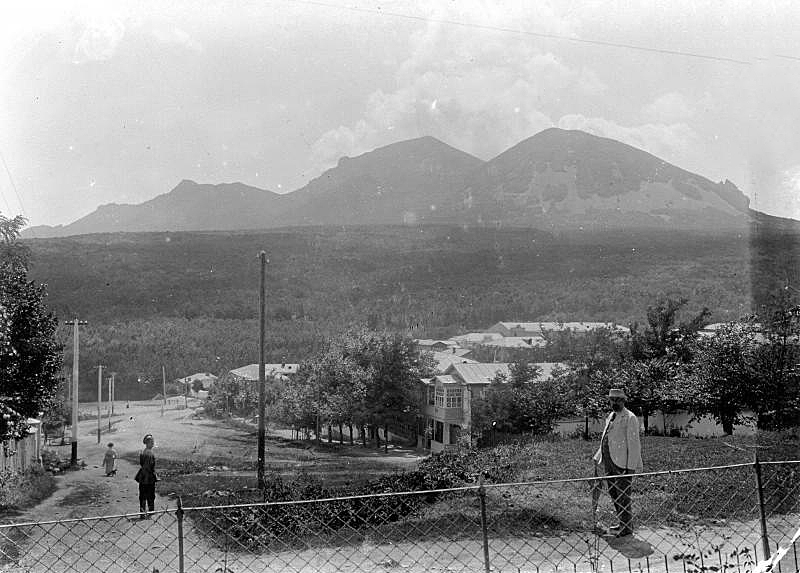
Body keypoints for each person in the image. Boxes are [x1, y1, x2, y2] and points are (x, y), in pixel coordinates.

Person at [593, 388, 642, 537]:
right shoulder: (611, 416)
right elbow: (606, 438)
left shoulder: (630, 417)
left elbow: (634, 445)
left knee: (623, 496)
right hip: (609, 461)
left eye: (618, 400)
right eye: (612, 400)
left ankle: (627, 528)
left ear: (624, 401)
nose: (615, 402)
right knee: (614, 493)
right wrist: (598, 456)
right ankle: (623, 523)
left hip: (622, 464)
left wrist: (630, 468)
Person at [135, 434, 158, 519]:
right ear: (147, 443)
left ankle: (142, 512)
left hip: (143, 476)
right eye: (151, 442)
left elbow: (142, 464)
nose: (153, 444)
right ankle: (150, 511)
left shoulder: (143, 452)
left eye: (153, 442)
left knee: (142, 495)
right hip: (148, 476)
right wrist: (153, 473)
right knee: (150, 494)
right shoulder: (149, 453)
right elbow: (149, 466)